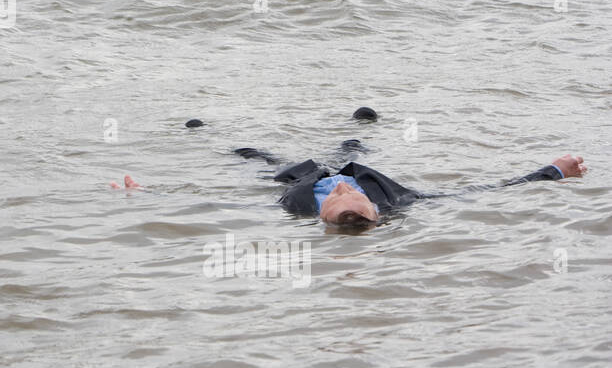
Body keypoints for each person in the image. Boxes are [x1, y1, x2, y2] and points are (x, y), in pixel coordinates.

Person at [234, 141, 585, 227]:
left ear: (322, 213)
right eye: (352, 194)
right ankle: (356, 139)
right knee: (352, 145)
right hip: (348, 164)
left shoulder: (296, 208)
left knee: (261, 159)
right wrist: (554, 170)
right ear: (374, 209)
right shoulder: (398, 202)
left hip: (298, 173)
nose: (344, 188)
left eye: (341, 193)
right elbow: (483, 191)